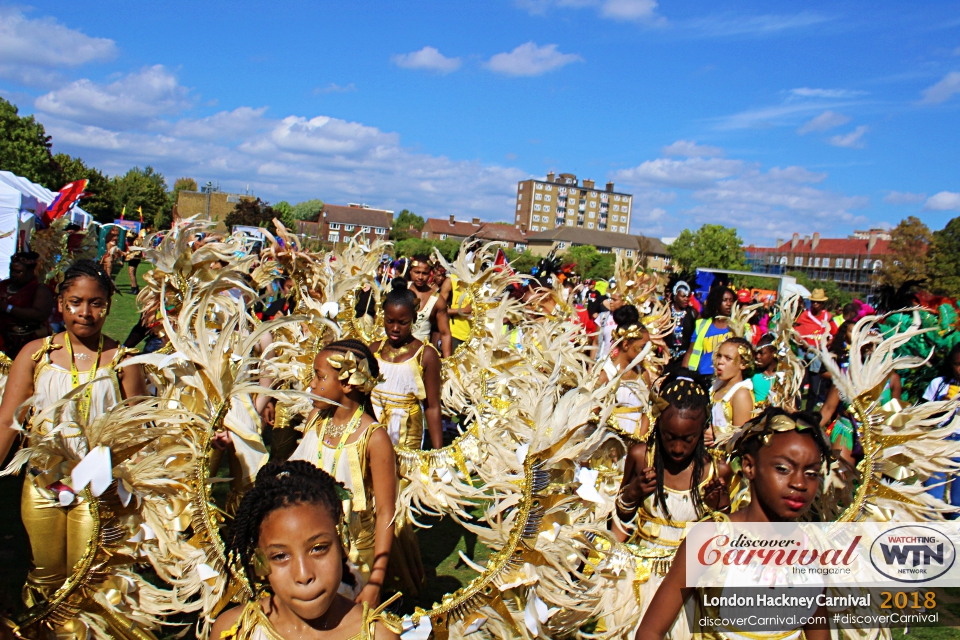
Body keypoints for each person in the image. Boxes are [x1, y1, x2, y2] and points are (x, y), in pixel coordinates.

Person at [0, 260, 147, 603]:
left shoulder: (124, 361)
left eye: (96, 303)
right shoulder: (36, 355)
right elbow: (8, 420)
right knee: (45, 579)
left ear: (108, 306)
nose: (85, 312)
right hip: (43, 484)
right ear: (60, 304)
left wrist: (145, 495)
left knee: (92, 580)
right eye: (75, 302)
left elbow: (138, 431)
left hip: (101, 488)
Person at [635, 409, 832, 640]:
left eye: (811, 473)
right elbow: (650, 632)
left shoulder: (813, 548)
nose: (799, 483)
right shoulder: (712, 539)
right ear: (749, 467)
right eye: (783, 469)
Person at [289, 339, 423, 605]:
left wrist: (375, 580)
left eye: (319, 376)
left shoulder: (373, 438)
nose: (311, 385)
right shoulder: (315, 421)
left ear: (348, 382)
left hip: (356, 558)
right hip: (309, 546)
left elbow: (386, 511)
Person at [213, 460, 401, 640]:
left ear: (343, 540)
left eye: (318, 549)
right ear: (259, 561)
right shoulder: (235, 631)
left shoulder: (378, 635)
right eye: (280, 556)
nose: (303, 575)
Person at [613, 372, 731, 636]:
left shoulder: (717, 472)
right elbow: (620, 518)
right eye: (669, 436)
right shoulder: (641, 457)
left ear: (703, 430)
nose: (678, 448)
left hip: (690, 580)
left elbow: (727, 537)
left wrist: (720, 509)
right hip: (639, 577)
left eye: (687, 439)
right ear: (657, 425)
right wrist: (632, 495)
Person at [370, 280, 444, 450]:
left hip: (408, 432)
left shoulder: (426, 355)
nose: (395, 328)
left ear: (414, 318)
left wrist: (438, 452)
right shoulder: (374, 350)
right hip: (374, 427)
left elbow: (432, 406)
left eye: (402, 323)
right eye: (389, 321)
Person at [597, 305, 651, 438]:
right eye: (642, 348)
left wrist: (639, 440)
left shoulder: (643, 375)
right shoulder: (606, 374)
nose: (646, 353)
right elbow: (592, 414)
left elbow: (647, 412)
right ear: (626, 345)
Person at [921, 343, 960, 505]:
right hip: (938, 441)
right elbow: (920, 415)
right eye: (958, 364)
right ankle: (930, 528)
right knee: (932, 495)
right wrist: (940, 407)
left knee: (957, 501)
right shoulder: (939, 384)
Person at [0, 251, 54, 359]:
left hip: (26, 343)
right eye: (11, 271)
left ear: (30, 272)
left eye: (18, 272)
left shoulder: (40, 290)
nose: (13, 275)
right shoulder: (3, 286)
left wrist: (8, 308)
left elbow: (40, 314)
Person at [709, 337, 755, 446]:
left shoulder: (741, 394)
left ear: (743, 364)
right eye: (719, 356)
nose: (720, 362)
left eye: (728, 358)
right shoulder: (715, 388)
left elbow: (741, 440)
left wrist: (716, 435)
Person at [682, 286, 735, 377]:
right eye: (725, 300)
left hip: (727, 377)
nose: (729, 303)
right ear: (716, 302)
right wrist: (682, 375)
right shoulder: (702, 325)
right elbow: (690, 352)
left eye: (731, 300)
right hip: (703, 376)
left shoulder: (737, 326)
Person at [406, 255, 452, 357]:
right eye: (417, 272)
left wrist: (448, 363)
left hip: (419, 355)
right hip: (395, 352)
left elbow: (445, 333)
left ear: (430, 274)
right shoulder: (400, 289)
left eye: (425, 273)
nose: (420, 277)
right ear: (410, 271)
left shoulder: (437, 300)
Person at [664, 281, 697, 365]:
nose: (686, 299)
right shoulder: (665, 311)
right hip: (665, 359)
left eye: (688, 296)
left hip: (684, 360)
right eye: (683, 296)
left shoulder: (693, 313)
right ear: (675, 296)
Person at [750, 334, 778, 408]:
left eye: (762, 353)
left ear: (774, 353)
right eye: (757, 353)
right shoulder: (752, 374)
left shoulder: (784, 376)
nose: (757, 356)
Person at [447, 273, 473, 353]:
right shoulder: (451, 280)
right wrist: (462, 310)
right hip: (454, 336)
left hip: (475, 337)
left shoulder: (480, 281)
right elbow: (439, 309)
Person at [126, 224, 151, 294]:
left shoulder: (137, 241)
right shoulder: (135, 240)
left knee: (131, 273)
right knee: (131, 273)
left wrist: (129, 252)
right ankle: (133, 287)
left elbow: (138, 250)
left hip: (134, 258)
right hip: (133, 258)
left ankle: (135, 288)